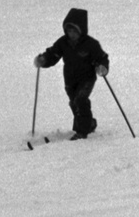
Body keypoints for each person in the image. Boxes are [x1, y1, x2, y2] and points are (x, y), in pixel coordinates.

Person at [34, 8, 109, 140]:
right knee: (74, 103)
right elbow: (53, 54)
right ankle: (89, 123)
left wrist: (102, 67)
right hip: (70, 79)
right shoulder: (63, 42)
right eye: (69, 30)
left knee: (80, 100)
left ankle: (82, 131)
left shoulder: (91, 44)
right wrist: (43, 60)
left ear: (81, 30)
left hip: (87, 78)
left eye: (74, 30)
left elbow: (102, 57)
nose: (71, 34)